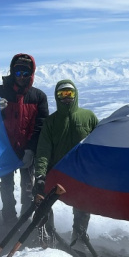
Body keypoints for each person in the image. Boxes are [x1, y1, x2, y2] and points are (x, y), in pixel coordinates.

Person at [33, 79, 98, 245]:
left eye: (70, 93)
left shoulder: (88, 117)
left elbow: (99, 145)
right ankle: (48, 237)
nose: (66, 98)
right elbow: (43, 151)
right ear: (57, 96)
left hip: (81, 174)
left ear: (75, 95)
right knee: (44, 202)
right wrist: (40, 174)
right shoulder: (51, 122)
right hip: (57, 173)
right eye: (62, 94)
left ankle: (79, 239)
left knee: (83, 208)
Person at [0, 54, 49, 223]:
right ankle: (8, 220)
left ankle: (26, 219)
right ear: (12, 72)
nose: (21, 77)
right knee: (6, 186)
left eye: (25, 73)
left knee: (28, 187)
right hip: (5, 149)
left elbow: (40, 125)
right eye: (18, 73)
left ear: (32, 74)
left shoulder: (38, 97)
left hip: (27, 149)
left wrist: (31, 149)